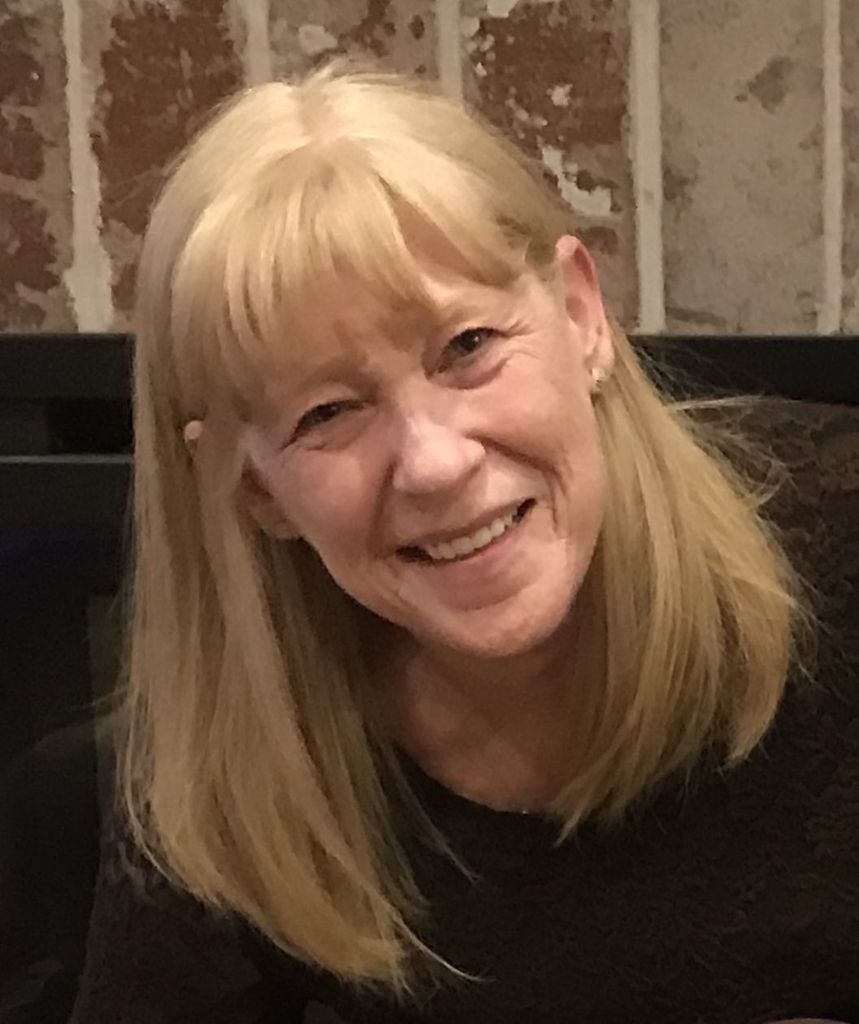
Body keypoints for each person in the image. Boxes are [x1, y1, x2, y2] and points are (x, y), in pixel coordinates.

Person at [67, 62, 859, 1024]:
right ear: (252, 487)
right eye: (327, 412)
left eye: (468, 346)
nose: (434, 464)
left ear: (580, 315)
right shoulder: (229, 767)